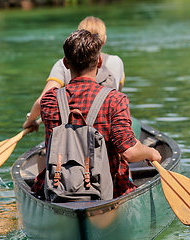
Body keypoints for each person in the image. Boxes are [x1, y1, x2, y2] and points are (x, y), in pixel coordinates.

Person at [35, 29, 161, 198]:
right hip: (109, 190)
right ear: (100, 61)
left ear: (66, 63)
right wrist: (149, 152)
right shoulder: (115, 99)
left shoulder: (49, 100)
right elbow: (129, 152)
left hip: (57, 188)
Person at [23, 16, 125, 131]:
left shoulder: (63, 64)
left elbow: (42, 101)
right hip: (105, 129)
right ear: (104, 40)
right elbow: (118, 92)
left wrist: (31, 120)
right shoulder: (117, 62)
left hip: (72, 130)